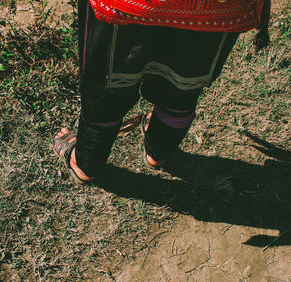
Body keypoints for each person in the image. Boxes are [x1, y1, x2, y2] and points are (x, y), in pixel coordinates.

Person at [53, 0, 271, 183]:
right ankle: (158, 151)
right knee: (184, 81)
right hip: (214, 8)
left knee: (108, 83)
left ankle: (86, 164)